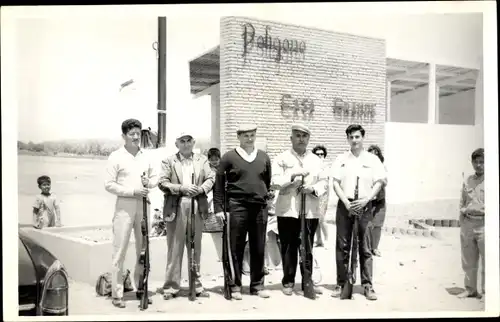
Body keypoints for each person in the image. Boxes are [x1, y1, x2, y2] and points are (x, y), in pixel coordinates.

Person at [213, 123, 272, 300]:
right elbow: (218, 185)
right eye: (245, 135)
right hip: (236, 206)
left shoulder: (263, 157)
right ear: (238, 137)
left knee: (259, 247)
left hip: (259, 207)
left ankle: (257, 285)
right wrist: (219, 208)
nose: (249, 138)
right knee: (235, 247)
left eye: (252, 135)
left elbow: (266, 182)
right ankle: (235, 286)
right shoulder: (229, 157)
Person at [104, 118, 159, 308]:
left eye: (138, 133)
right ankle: (117, 294)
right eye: (132, 134)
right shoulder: (115, 156)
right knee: (119, 251)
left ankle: (141, 289)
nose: (136, 137)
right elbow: (109, 184)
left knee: (143, 250)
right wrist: (132, 191)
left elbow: (154, 178)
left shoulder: (146, 156)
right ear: (124, 136)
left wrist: (149, 184)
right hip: (124, 207)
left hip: (144, 205)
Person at [271, 123, 328, 299]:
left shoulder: (316, 160)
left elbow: (324, 182)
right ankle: (288, 282)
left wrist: (312, 189)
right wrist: (292, 179)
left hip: (309, 210)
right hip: (288, 210)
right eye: (297, 135)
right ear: (291, 138)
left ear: (308, 139)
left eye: (304, 136)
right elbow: (274, 181)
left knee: (308, 247)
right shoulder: (281, 158)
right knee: (288, 247)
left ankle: (307, 282)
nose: (301, 139)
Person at [330, 124, 386, 301]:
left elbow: (380, 182)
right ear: (347, 139)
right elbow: (335, 183)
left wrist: (367, 199)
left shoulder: (372, 160)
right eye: (351, 137)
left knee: (365, 247)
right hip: (345, 205)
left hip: (365, 206)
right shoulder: (341, 159)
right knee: (343, 246)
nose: (354, 140)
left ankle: (367, 285)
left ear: (362, 138)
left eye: (357, 137)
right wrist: (347, 203)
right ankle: (341, 283)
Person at [158, 131, 215, 300]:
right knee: (175, 248)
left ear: (193, 142)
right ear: (176, 144)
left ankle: (196, 286)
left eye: (189, 140)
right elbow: (162, 182)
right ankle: (170, 287)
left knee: (195, 247)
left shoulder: (202, 160)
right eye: (182, 141)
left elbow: (211, 177)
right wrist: (181, 188)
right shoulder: (169, 161)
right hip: (176, 205)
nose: (186, 144)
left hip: (197, 204)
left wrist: (202, 188)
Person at [457, 148, 485, 302]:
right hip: (468, 223)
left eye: (482, 162)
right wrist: (462, 221)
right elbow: (462, 202)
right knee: (468, 259)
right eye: (476, 162)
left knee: (488, 260)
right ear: (472, 163)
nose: (479, 165)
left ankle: (487, 293)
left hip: (484, 224)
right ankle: (470, 289)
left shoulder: (493, 180)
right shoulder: (467, 180)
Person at [366, 145, 387, 257]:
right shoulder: (364, 168)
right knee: (368, 225)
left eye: (376, 155)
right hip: (368, 200)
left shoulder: (382, 168)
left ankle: (375, 248)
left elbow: (385, 181)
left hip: (379, 200)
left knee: (377, 225)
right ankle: (367, 248)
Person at [312, 145, 330, 247]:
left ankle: (326, 239)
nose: (319, 156)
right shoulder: (312, 165)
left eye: (321, 154)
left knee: (322, 218)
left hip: (323, 194)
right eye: (317, 154)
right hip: (314, 193)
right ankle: (319, 240)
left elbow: (325, 181)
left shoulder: (325, 166)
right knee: (316, 218)